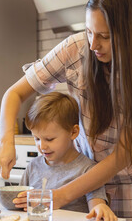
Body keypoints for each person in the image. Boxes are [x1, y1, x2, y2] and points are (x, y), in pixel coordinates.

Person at [0, 0, 132, 220]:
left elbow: (124, 154)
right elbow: (14, 94)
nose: (93, 44)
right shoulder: (74, 49)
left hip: (131, 185)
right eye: (89, 32)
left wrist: (61, 196)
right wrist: (5, 141)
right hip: (81, 178)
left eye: (104, 36)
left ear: (129, 34)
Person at [19, 92, 116, 220]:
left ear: (73, 132)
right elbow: (20, 203)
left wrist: (100, 208)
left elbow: (96, 205)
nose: (42, 146)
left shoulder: (88, 170)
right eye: (36, 138)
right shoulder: (33, 166)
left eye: (49, 139)